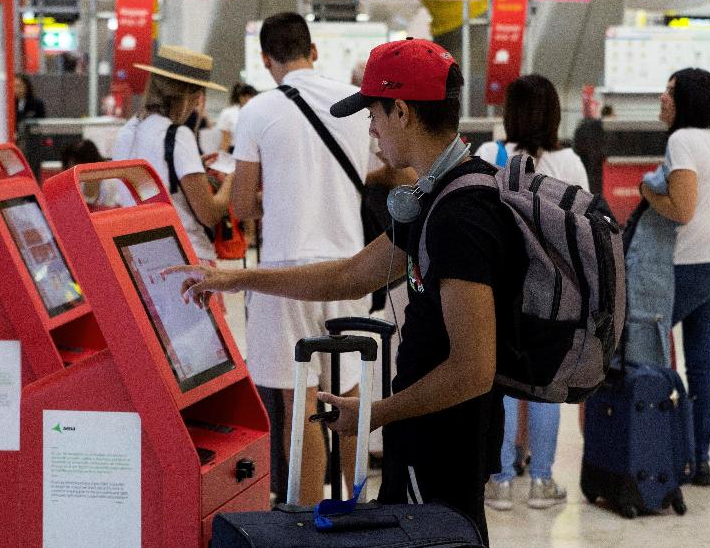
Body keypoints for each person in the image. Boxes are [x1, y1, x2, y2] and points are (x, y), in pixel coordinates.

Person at [172, 38, 516, 542]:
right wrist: (237, 278)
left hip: (445, 443)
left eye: (373, 114)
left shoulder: (460, 213)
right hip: (422, 434)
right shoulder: (433, 197)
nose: (370, 130)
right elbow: (350, 275)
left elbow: (473, 369)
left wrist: (375, 414)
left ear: (400, 111)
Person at [229, 12, 371, 503]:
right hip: (352, 267)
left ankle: (306, 521)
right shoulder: (352, 105)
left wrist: (277, 195)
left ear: (267, 61)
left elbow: (241, 204)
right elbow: (382, 171)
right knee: (349, 392)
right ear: (313, 52)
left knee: (301, 399)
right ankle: (357, 511)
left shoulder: (258, 111)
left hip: (286, 273)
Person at [638, 68, 710, 487]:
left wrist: (647, 191)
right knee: (701, 361)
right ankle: (697, 459)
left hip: (695, 263)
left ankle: (654, 448)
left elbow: (681, 209)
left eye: (670, 92)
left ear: (687, 101)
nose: (662, 98)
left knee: (644, 347)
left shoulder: (682, 140)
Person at [474, 74, 578, 511]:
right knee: (544, 384)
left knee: (499, 379)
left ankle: (497, 481)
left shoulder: (489, 155)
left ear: (509, 114)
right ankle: (541, 482)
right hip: (555, 291)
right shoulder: (569, 163)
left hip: (500, 285)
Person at [111, 45, 233, 263]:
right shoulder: (177, 135)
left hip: (139, 256)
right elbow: (210, 213)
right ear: (193, 96)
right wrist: (234, 178)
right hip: (186, 257)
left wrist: (194, 167)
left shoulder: (126, 132)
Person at [59, 139, 121, 209]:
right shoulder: (72, 188)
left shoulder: (113, 184)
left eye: (76, 168)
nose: (73, 175)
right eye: (70, 170)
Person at [573, 104, 613, 199]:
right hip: (594, 159)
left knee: (588, 183)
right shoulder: (602, 127)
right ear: (610, 114)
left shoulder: (588, 125)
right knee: (595, 184)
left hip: (585, 158)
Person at [216, 82, 258, 156]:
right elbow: (225, 140)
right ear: (242, 97)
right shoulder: (229, 113)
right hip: (234, 151)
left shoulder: (258, 113)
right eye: (250, 97)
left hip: (253, 151)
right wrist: (222, 158)